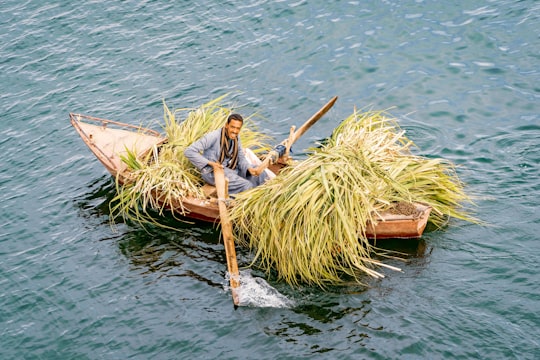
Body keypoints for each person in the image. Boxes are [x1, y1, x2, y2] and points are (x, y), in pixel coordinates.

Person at [184, 113, 268, 194]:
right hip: (213, 172)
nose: (235, 131)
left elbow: (241, 157)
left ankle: (263, 196)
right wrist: (211, 163)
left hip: (230, 168)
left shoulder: (236, 137)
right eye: (232, 127)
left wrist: (249, 169)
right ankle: (233, 201)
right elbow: (189, 151)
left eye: (238, 128)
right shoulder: (213, 136)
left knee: (261, 174)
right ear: (226, 125)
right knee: (246, 185)